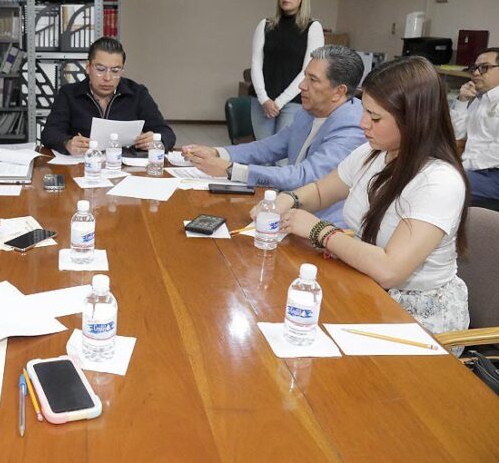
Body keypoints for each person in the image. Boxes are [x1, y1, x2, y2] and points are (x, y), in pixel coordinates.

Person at [268, 56, 470, 336]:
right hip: (365, 285)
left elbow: (390, 269)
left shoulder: (439, 181)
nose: (363, 124)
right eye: (364, 111)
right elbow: (319, 191)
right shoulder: (372, 153)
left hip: (415, 316)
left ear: (413, 120)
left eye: (375, 117)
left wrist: (319, 230)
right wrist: (287, 200)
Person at [183, 45, 366, 226]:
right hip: (286, 209)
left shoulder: (353, 126)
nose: (302, 86)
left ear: (339, 92)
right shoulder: (308, 112)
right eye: (305, 77)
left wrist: (231, 169)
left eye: (313, 79)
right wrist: (218, 153)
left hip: (324, 224)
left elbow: (305, 176)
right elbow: (269, 147)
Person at [40, 37, 176, 155]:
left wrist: (157, 140)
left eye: (115, 70)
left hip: (125, 169)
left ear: (122, 70)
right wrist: (67, 143)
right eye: (100, 69)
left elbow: (167, 133)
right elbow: (49, 133)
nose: (107, 77)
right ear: (88, 67)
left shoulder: (137, 93)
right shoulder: (69, 94)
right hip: (83, 166)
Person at [250, 0, 324, 140]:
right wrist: (264, 99)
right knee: (261, 154)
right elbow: (256, 63)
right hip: (262, 100)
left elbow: (308, 70)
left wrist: (279, 102)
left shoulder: (313, 27)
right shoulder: (265, 25)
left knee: (282, 158)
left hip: (293, 101)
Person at [450, 47, 499, 207]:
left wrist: (463, 169)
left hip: (492, 174)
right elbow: (456, 135)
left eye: (484, 67)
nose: (476, 73)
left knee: (444, 187)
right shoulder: (480, 99)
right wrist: (462, 101)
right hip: (473, 170)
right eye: (475, 68)